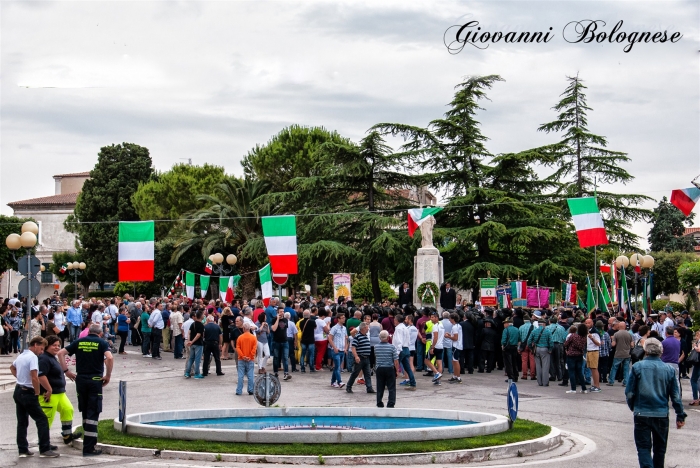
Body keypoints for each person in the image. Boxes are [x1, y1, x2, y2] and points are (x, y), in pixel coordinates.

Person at [626, 338, 686, 468]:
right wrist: (680, 414)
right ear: (661, 352)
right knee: (660, 450)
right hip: (661, 413)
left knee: (643, 447)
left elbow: (629, 392)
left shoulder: (637, 367)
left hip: (642, 411)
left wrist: (633, 406)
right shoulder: (669, 369)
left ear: (645, 351)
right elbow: (675, 396)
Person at [57, 324, 113, 457]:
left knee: (85, 410)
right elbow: (109, 357)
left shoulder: (79, 342)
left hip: (80, 379)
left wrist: (66, 371)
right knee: (93, 412)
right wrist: (108, 375)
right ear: (99, 334)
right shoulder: (101, 343)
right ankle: (89, 448)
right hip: (94, 380)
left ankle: (86, 442)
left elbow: (60, 353)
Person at [12, 336, 59, 458]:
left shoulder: (22, 355)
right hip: (28, 392)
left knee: (22, 421)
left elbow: (12, 367)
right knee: (42, 420)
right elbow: (35, 376)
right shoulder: (33, 357)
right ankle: (45, 448)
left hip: (18, 390)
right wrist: (37, 392)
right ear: (36, 345)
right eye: (42, 349)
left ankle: (22, 449)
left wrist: (20, 378)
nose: (42, 352)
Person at [37, 335, 75, 445]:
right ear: (47, 345)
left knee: (68, 409)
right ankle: (44, 444)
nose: (57, 347)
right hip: (49, 394)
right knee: (47, 419)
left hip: (60, 393)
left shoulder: (52, 357)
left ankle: (67, 435)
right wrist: (48, 390)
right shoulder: (44, 358)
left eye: (58, 345)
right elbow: (41, 376)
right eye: (54, 345)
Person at [346, 322, 375, 394]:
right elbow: (353, 347)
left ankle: (369, 388)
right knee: (355, 373)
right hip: (360, 358)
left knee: (367, 374)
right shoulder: (357, 336)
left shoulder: (365, 336)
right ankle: (348, 386)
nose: (368, 328)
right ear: (363, 328)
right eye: (367, 327)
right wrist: (356, 356)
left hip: (366, 358)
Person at [375, 330, 400, 408]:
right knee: (391, 387)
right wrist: (397, 370)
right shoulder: (392, 347)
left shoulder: (376, 347)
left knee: (380, 386)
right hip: (389, 368)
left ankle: (379, 402)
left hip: (379, 368)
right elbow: (396, 360)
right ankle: (391, 403)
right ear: (388, 337)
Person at [528, 317, 553, 386]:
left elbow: (529, 341)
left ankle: (539, 382)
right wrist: (550, 349)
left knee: (538, 366)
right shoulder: (548, 331)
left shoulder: (534, 331)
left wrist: (531, 348)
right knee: (545, 366)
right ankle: (545, 382)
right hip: (545, 349)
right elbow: (551, 342)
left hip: (537, 349)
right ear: (544, 324)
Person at [564, 324, 588, 394]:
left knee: (571, 372)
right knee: (580, 372)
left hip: (571, 355)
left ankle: (573, 388)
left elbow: (566, 344)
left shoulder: (573, 336)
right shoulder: (584, 338)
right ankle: (584, 388)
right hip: (579, 355)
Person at [608, 320, 633, 387]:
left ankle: (611, 381)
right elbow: (632, 345)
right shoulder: (629, 334)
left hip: (618, 353)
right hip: (627, 354)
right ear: (625, 326)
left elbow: (613, 344)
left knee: (614, 367)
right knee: (626, 368)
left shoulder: (616, 334)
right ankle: (626, 382)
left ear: (619, 326)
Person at [394, 314, 416, 389]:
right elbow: (408, 339)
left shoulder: (399, 329)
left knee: (393, 366)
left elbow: (399, 340)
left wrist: (398, 351)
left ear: (396, 320)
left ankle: (389, 383)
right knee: (407, 367)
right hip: (406, 348)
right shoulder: (405, 328)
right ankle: (413, 383)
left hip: (401, 349)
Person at [236, 323, 257, 395]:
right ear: (249, 329)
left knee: (240, 376)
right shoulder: (253, 338)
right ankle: (251, 390)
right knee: (251, 376)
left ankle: (239, 391)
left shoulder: (240, 337)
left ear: (243, 329)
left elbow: (238, 348)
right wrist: (250, 356)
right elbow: (254, 349)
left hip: (241, 359)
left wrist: (242, 356)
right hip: (250, 359)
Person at [270, 307, 291, 380]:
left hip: (285, 341)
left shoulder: (285, 320)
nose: (282, 313)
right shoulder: (274, 320)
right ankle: (276, 372)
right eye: (281, 311)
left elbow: (285, 329)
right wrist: (277, 319)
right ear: (278, 312)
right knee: (276, 358)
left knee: (285, 358)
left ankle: (286, 373)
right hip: (276, 342)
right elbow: (274, 329)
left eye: (283, 311)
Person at [328, 313, 348, 388]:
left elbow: (346, 338)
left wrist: (346, 347)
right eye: (342, 318)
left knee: (337, 366)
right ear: (338, 319)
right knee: (337, 367)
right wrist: (334, 347)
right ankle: (339, 381)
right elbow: (330, 338)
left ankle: (333, 381)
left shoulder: (344, 328)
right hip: (336, 350)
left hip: (342, 350)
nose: (344, 319)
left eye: (344, 317)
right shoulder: (334, 328)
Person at [184, 311, 205, 379]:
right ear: (201, 316)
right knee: (197, 359)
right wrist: (192, 341)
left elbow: (189, 332)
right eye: (203, 314)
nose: (204, 315)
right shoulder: (201, 325)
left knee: (191, 358)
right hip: (198, 344)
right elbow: (198, 335)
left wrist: (189, 341)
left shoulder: (193, 324)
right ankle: (197, 373)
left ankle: (187, 372)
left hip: (192, 344)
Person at [501, 317, 519, 382]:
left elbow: (504, 340)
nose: (504, 325)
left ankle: (511, 377)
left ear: (508, 323)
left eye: (505, 323)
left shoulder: (506, 330)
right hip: (514, 347)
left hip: (507, 348)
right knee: (514, 362)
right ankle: (516, 376)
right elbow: (519, 339)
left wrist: (503, 345)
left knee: (508, 363)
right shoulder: (517, 329)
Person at [446, 313, 463, 383]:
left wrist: (448, 337)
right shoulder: (458, 326)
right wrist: (450, 334)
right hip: (458, 345)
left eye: (450, 318)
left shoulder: (454, 327)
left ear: (453, 319)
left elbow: (455, 338)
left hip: (456, 345)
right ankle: (455, 376)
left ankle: (458, 377)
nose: (449, 320)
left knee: (455, 361)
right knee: (454, 361)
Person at [518, 314, 536, 380]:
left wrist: (519, 347)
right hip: (531, 345)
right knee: (532, 360)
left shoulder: (521, 327)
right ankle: (532, 375)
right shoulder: (533, 327)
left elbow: (519, 338)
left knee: (524, 360)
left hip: (523, 345)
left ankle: (524, 375)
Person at [689, 330, 700, 406]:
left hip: (698, 363)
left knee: (694, 380)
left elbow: (699, 349)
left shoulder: (699, 342)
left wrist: (694, 346)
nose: (696, 337)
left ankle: (695, 398)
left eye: (696, 335)